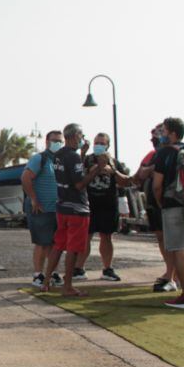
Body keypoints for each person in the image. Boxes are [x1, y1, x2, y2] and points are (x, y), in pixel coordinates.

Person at [42, 124, 107, 296]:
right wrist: (97, 169)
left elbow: (71, 172)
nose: (82, 138)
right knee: (73, 247)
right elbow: (79, 184)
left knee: (58, 244)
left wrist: (82, 155)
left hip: (62, 205)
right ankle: (68, 286)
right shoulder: (72, 157)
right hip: (77, 208)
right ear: (75, 136)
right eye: (81, 135)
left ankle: (46, 281)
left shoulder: (58, 155)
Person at [152, 117, 184, 309]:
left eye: (164, 131)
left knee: (178, 251)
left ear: (172, 133)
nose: (162, 135)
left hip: (172, 205)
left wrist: (161, 204)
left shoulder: (165, 152)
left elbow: (157, 185)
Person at [75, 132, 132, 281]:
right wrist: (91, 164)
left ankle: (107, 269)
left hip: (108, 206)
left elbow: (126, 181)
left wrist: (113, 171)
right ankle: (78, 268)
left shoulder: (113, 161)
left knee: (106, 237)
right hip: (89, 205)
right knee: (85, 237)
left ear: (107, 145)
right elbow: (78, 177)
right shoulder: (87, 159)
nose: (98, 146)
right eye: (96, 143)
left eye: (101, 143)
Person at [135, 124, 177, 292]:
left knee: (174, 240)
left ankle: (175, 275)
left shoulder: (176, 153)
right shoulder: (152, 155)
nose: (155, 140)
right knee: (161, 237)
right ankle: (170, 271)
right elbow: (140, 174)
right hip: (155, 202)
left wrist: (151, 170)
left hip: (168, 202)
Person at [22, 130, 63, 288]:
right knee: (41, 242)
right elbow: (26, 177)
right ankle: (38, 275)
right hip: (41, 208)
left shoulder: (60, 160)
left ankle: (52, 273)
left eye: (60, 141)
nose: (57, 143)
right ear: (47, 142)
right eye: (54, 140)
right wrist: (34, 199)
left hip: (56, 208)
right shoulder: (40, 158)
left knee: (54, 243)